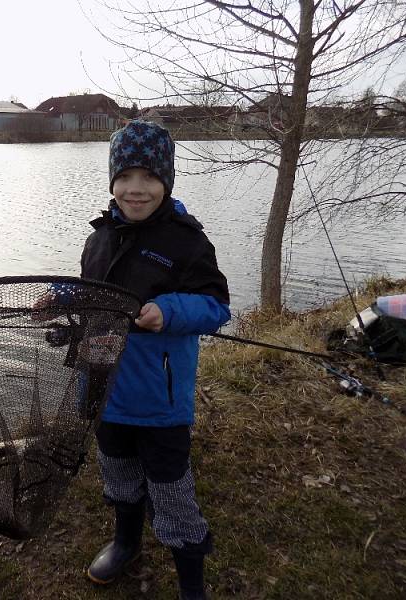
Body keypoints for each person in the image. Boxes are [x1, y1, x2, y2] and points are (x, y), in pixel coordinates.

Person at [81, 120, 230, 599]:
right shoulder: (99, 237)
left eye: (148, 177)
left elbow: (216, 307)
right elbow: (90, 293)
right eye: (125, 177)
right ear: (112, 181)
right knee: (118, 472)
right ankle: (126, 543)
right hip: (104, 387)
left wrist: (168, 312)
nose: (135, 189)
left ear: (166, 181)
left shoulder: (187, 242)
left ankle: (191, 582)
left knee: (170, 489)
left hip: (159, 400)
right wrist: (61, 298)